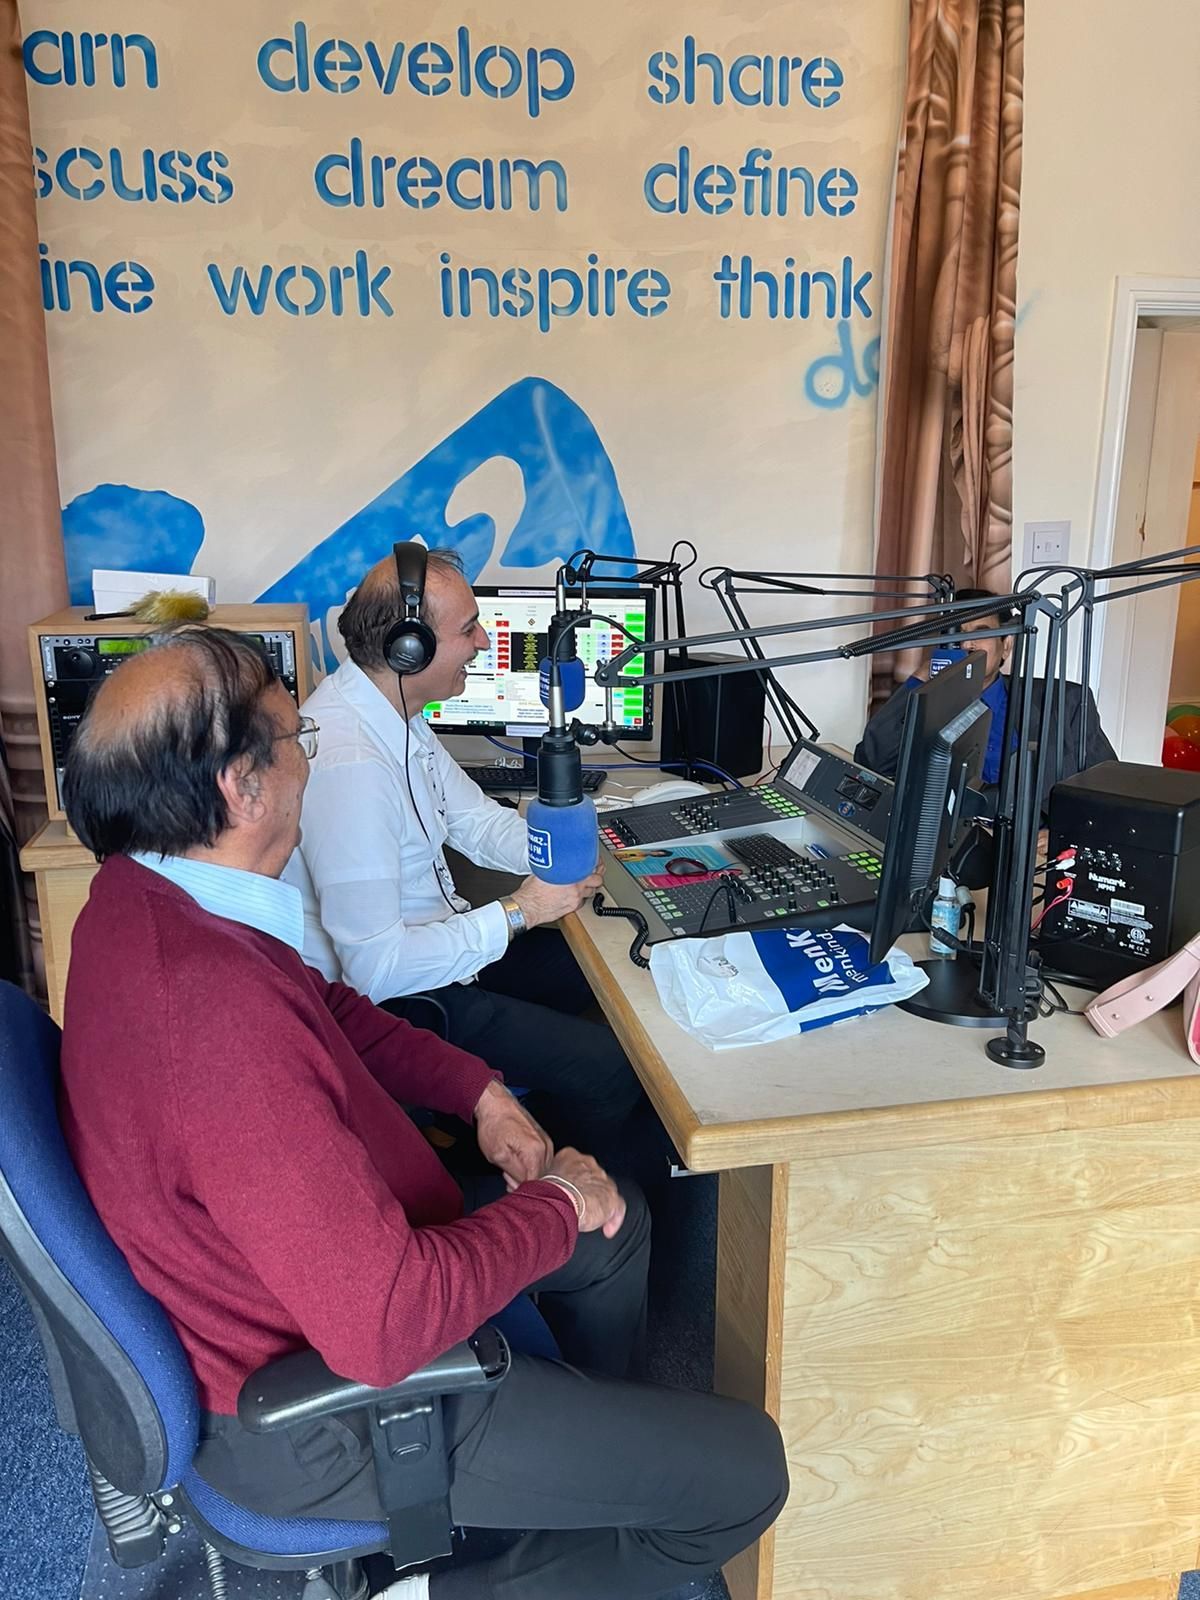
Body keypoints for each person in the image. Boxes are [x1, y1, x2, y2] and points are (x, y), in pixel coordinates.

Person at [59, 628, 787, 1600]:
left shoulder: (159, 901)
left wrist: (480, 1092)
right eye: (294, 740)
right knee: (742, 1475)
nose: (307, 762)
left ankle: (582, 1467)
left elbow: (338, 1015)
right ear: (244, 787)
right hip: (335, 1412)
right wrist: (555, 1204)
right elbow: (386, 1323)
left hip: (346, 1274)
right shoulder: (209, 1013)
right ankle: (442, 1591)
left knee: (619, 1225)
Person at [284, 544, 650, 1168]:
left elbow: (473, 819)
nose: (483, 642)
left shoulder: (395, 714)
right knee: (613, 1069)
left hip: (439, 958)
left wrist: (557, 855)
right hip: (401, 1004)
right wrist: (519, 911)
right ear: (410, 647)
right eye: (468, 629)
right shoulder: (351, 765)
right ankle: (577, 1199)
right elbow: (376, 970)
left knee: (602, 960)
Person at [855, 587, 1117, 810]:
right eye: (957, 634)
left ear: (1006, 645)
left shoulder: (1065, 702)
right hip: (955, 849)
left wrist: (1062, 831)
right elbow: (873, 760)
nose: (967, 645)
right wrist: (920, 679)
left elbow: (1104, 786)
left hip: (1033, 852)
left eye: (980, 633)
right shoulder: (927, 702)